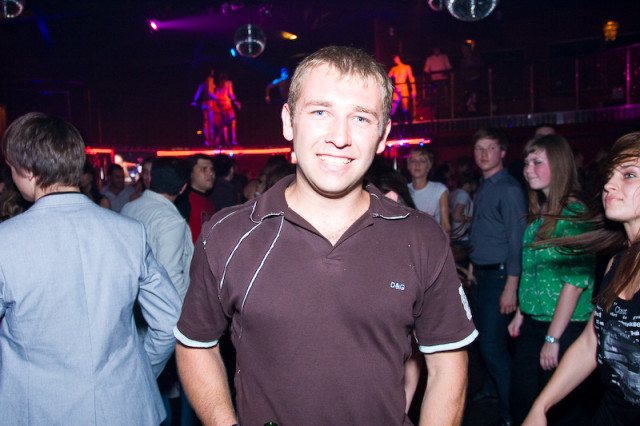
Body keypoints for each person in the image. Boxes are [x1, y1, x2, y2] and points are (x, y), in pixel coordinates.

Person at [174, 45, 477, 426]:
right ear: (288, 122)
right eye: (320, 112)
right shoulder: (228, 235)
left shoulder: (421, 238)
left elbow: (448, 365)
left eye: (361, 118)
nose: (339, 137)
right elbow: (196, 343)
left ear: (383, 135)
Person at [0, 112, 181, 424]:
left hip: (40, 411)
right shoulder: (129, 232)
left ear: (27, 171)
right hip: (126, 407)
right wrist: (138, 370)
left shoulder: (6, 240)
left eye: (12, 169)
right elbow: (169, 321)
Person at [523, 131, 640, 425]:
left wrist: (552, 338)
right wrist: (541, 406)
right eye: (610, 175)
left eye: (628, 175)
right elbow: (591, 342)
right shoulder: (617, 263)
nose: (609, 184)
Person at [508, 135, 595, 425]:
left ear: (558, 165)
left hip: (565, 328)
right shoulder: (540, 215)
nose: (528, 169)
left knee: (557, 412)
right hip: (534, 323)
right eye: (526, 163)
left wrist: (552, 338)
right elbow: (533, 270)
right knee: (523, 403)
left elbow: (575, 283)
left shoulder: (575, 215)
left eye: (537, 162)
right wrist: (521, 313)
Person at [468, 128, 528, 426]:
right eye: (479, 148)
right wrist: (472, 264)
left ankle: (511, 413)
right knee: (484, 343)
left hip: (500, 277)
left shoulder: (508, 189)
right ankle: (492, 391)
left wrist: (511, 287)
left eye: (490, 148)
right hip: (482, 274)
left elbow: (517, 241)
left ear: (503, 152)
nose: (484, 154)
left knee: (494, 348)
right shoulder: (486, 185)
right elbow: (485, 231)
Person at [122, 157, 193, 301]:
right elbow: (170, 276)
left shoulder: (128, 208)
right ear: (183, 188)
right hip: (162, 305)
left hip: (133, 297)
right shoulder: (171, 221)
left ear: (151, 178)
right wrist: (184, 309)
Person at [407, 146, 451, 232]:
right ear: (408, 166)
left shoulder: (439, 190)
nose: (417, 164)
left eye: (422, 161)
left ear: (429, 166)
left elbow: (445, 225)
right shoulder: (403, 190)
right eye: (413, 161)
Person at [175, 154, 216, 244]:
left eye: (212, 169)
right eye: (204, 169)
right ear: (191, 174)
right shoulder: (183, 202)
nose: (211, 173)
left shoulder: (210, 204)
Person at [192, 69, 220, 146]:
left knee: (206, 121)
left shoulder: (203, 82)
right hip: (210, 102)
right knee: (210, 121)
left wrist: (194, 101)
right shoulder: (210, 79)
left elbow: (198, 92)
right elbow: (210, 92)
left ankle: (207, 139)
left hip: (204, 103)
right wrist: (217, 99)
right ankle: (211, 140)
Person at [424, 47, 452, 118]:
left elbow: (449, 67)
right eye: (435, 49)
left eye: (438, 49)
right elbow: (426, 70)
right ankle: (437, 114)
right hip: (435, 81)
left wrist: (444, 73)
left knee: (445, 97)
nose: (436, 50)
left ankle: (447, 113)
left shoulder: (444, 57)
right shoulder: (429, 59)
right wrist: (432, 75)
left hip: (443, 80)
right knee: (436, 98)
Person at [215, 71, 241, 146]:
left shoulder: (219, 85)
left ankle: (226, 141)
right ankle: (233, 140)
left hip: (222, 104)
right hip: (227, 103)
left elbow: (217, 96)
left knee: (225, 124)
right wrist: (236, 102)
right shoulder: (228, 83)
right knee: (233, 121)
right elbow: (231, 93)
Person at [388, 54, 416, 124]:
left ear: (399, 58)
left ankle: (409, 123)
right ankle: (390, 124)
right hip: (396, 87)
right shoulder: (394, 69)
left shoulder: (406, 67)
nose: (394, 60)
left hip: (403, 87)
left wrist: (413, 89)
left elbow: (411, 78)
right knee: (392, 107)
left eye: (395, 58)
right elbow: (388, 77)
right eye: (394, 58)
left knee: (405, 107)